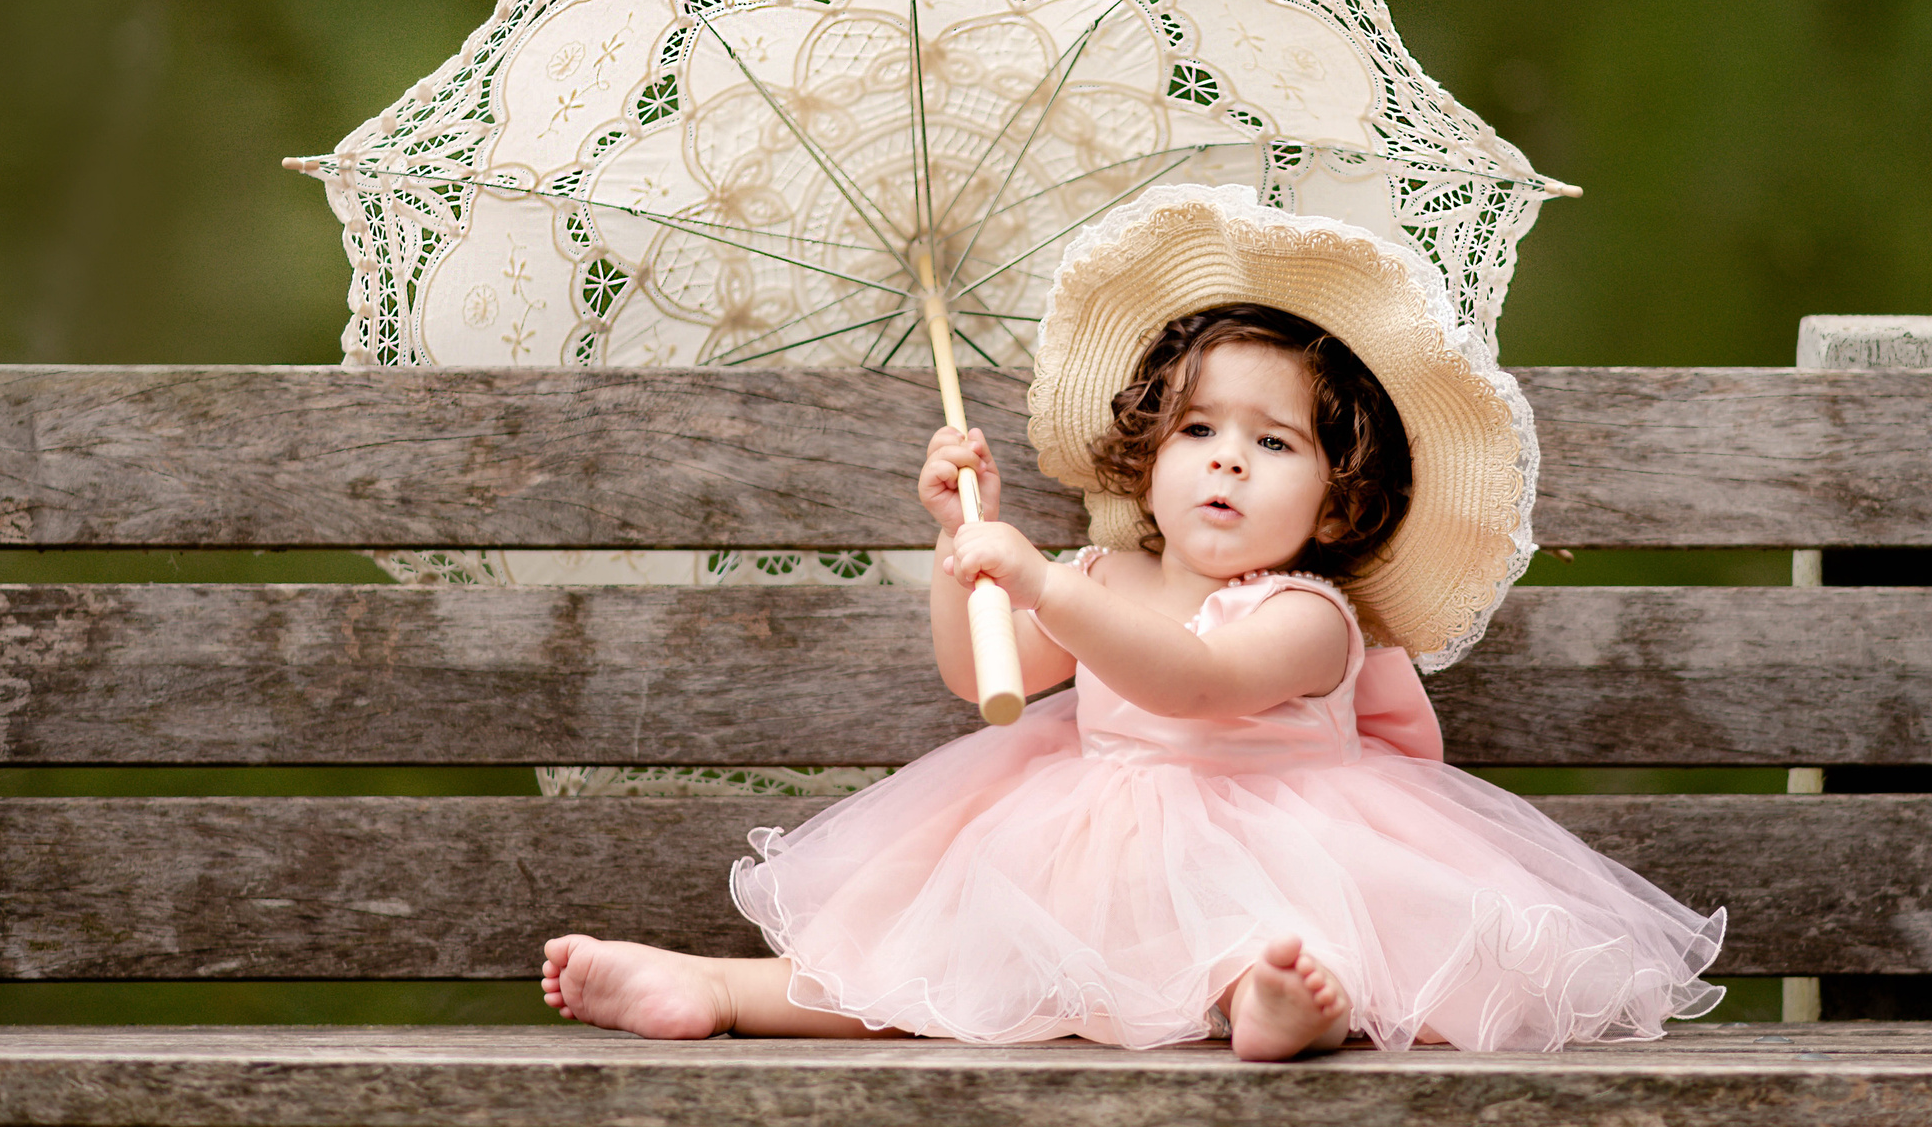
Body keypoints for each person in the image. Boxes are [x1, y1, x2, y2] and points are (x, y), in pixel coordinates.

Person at [540, 185, 1724, 1058]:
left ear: (1339, 492)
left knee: (1268, 936)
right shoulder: (1106, 574)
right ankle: (711, 990)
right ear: (1147, 453)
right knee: (931, 964)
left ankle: (1269, 1005)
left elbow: (1192, 686)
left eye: (1274, 443)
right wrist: (971, 550)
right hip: (1085, 842)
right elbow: (983, 679)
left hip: (1283, 846)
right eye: (1199, 431)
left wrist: (1042, 580)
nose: (1227, 464)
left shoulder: (1311, 617)